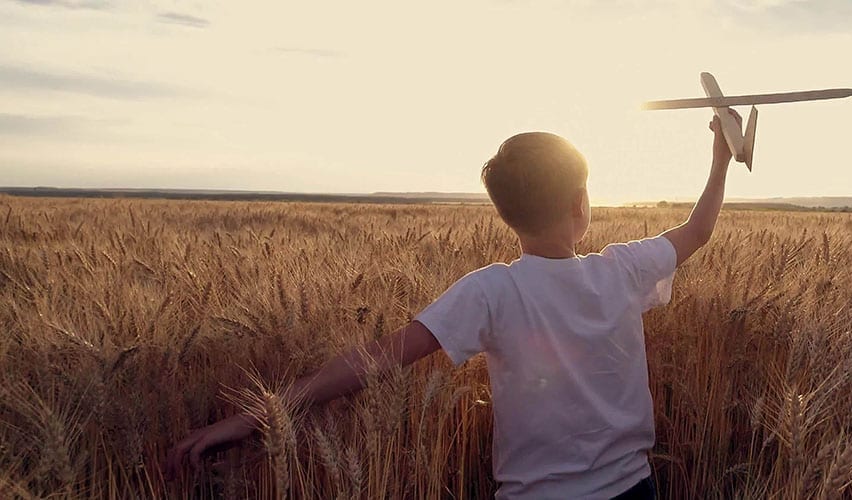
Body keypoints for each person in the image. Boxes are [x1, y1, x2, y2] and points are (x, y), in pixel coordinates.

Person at [165, 109, 745, 499]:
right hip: (632, 489)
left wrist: (257, 414)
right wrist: (720, 159)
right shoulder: (622, 269)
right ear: (580, 203)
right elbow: (698, 230)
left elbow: (377, 359)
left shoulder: (490, 289)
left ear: (505, 212)